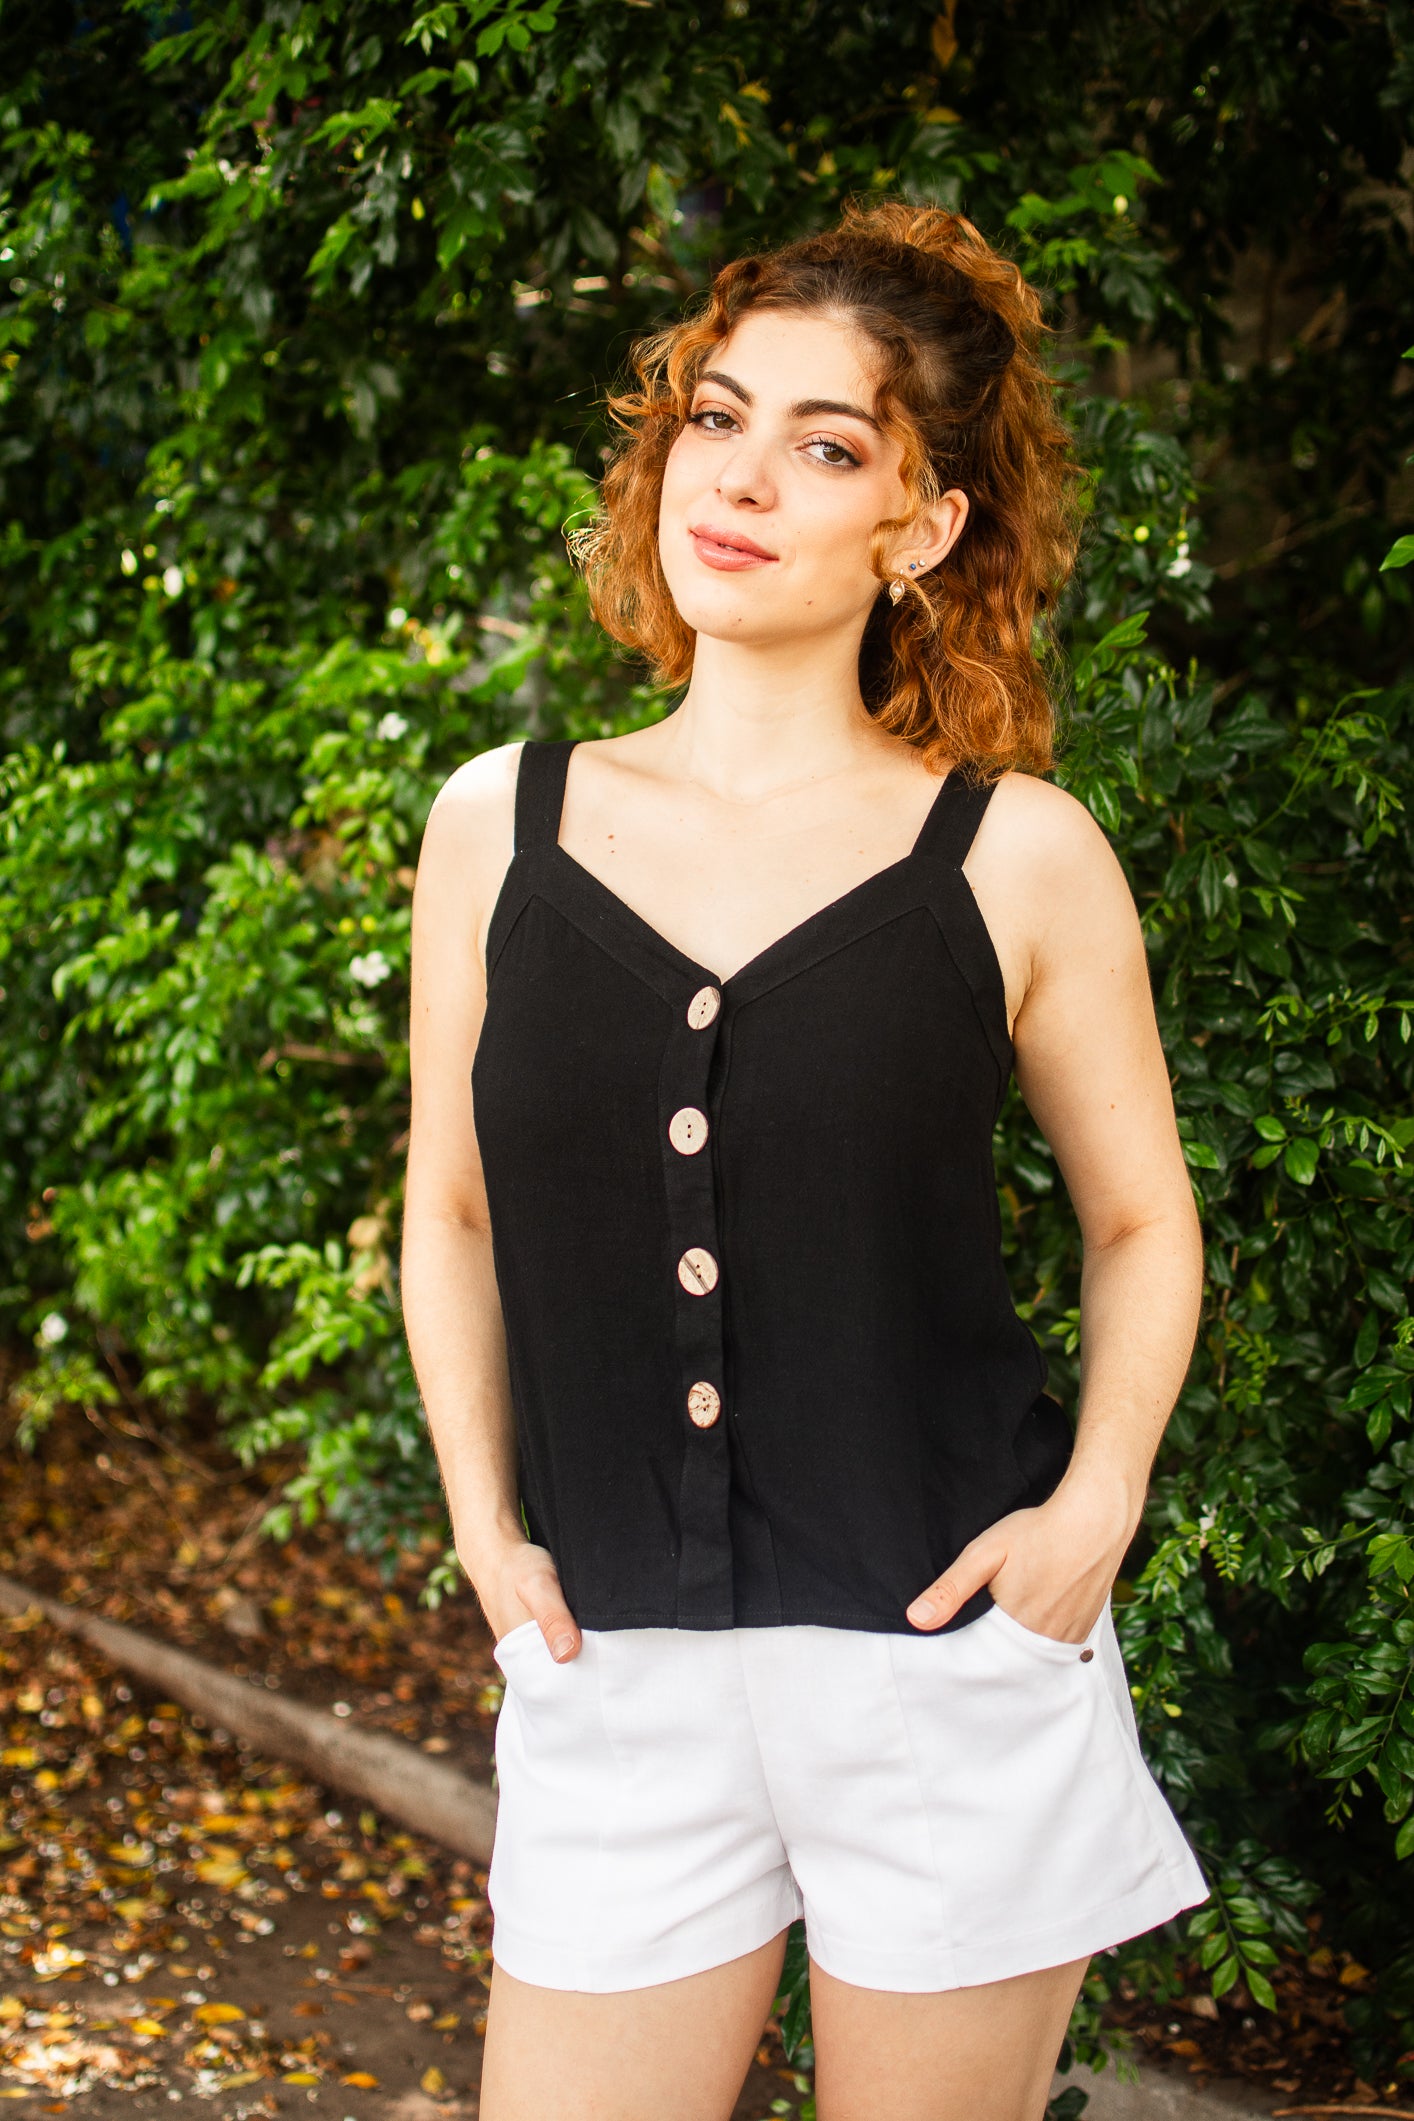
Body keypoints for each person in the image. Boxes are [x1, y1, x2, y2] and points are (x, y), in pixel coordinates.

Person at [401, 200, 1211, 2121]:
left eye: (826, 447)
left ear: (918, 528)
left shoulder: (1014, 856)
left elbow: (1138, 1218)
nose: (742, 479)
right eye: (717, 417)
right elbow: (448, 1203)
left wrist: (1092, 1508)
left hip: (944, 1671)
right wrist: (483, 1523)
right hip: (610, 1664)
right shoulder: (498, 825)